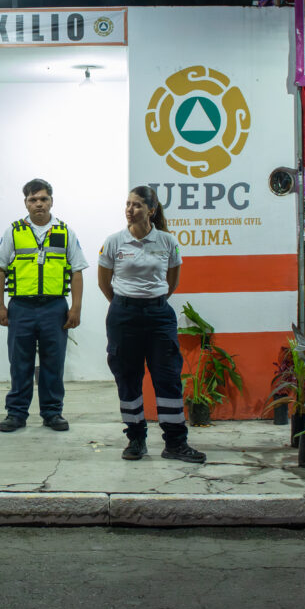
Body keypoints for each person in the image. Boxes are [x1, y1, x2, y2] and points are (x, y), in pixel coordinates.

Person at [98, 185, 205, 464]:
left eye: (136, 205)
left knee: (168, 378)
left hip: (159, 316)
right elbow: (103, 281)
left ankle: (175, 443)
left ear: (151, 210)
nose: (129, 210)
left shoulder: (167, 241)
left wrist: (152, 301)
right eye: (127, 204)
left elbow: (172, 282)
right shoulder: (113, 241)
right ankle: (136, 438)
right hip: (123, 316)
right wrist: (125, 304)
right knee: (128, 377)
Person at [0, 178, 86, 433]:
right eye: (33, 200)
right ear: (26, 203)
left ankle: (52, 413)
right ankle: (16, 414)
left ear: (51, 201)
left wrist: (75, 308)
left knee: (53, 363)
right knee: (19, 362)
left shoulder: (66, 232)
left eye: (43, 199)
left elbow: (77, 272)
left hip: (54, 307)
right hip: (21, 307)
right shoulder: (14, 232)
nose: (39, 204)